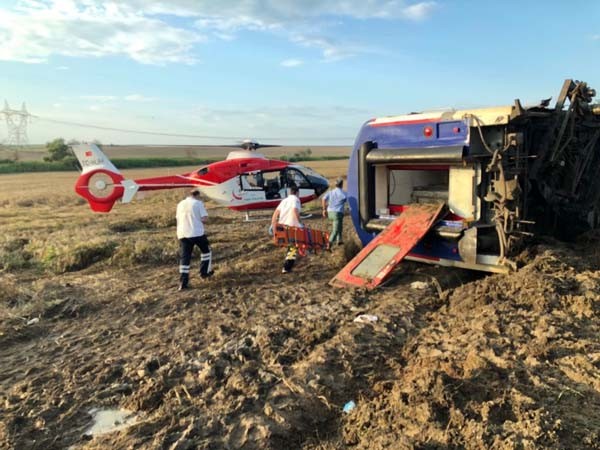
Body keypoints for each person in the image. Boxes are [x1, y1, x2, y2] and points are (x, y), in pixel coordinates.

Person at [176, 189, 213, 290]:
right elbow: (204, 218)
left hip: (182, 234)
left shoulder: (180, 204)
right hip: (196, 232)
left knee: (185, 258)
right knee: (206, 251)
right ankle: (204, 272)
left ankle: (183, 283)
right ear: (197, 195)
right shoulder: (198, 203)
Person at [271, 185, 302, 273]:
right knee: (293, 247)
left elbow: (276, 213)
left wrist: (273, 225)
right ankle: (286, 268)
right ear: (297, 192)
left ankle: (287, 266)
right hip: (291, 227)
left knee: (290, 246)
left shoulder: (284, 201)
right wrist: (300, 223)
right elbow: (295, 210)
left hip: (282, 227)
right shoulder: (295, 199)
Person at [322, 177, 347, 247]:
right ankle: (328, 244)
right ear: (342, 185)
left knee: (340, 226)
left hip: (330, 213)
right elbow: (348, 201)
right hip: (337, 213)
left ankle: (340, 240)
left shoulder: (330, 192)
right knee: (335, 230)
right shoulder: (343, 193)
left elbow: (323, 199)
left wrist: (324, 210)